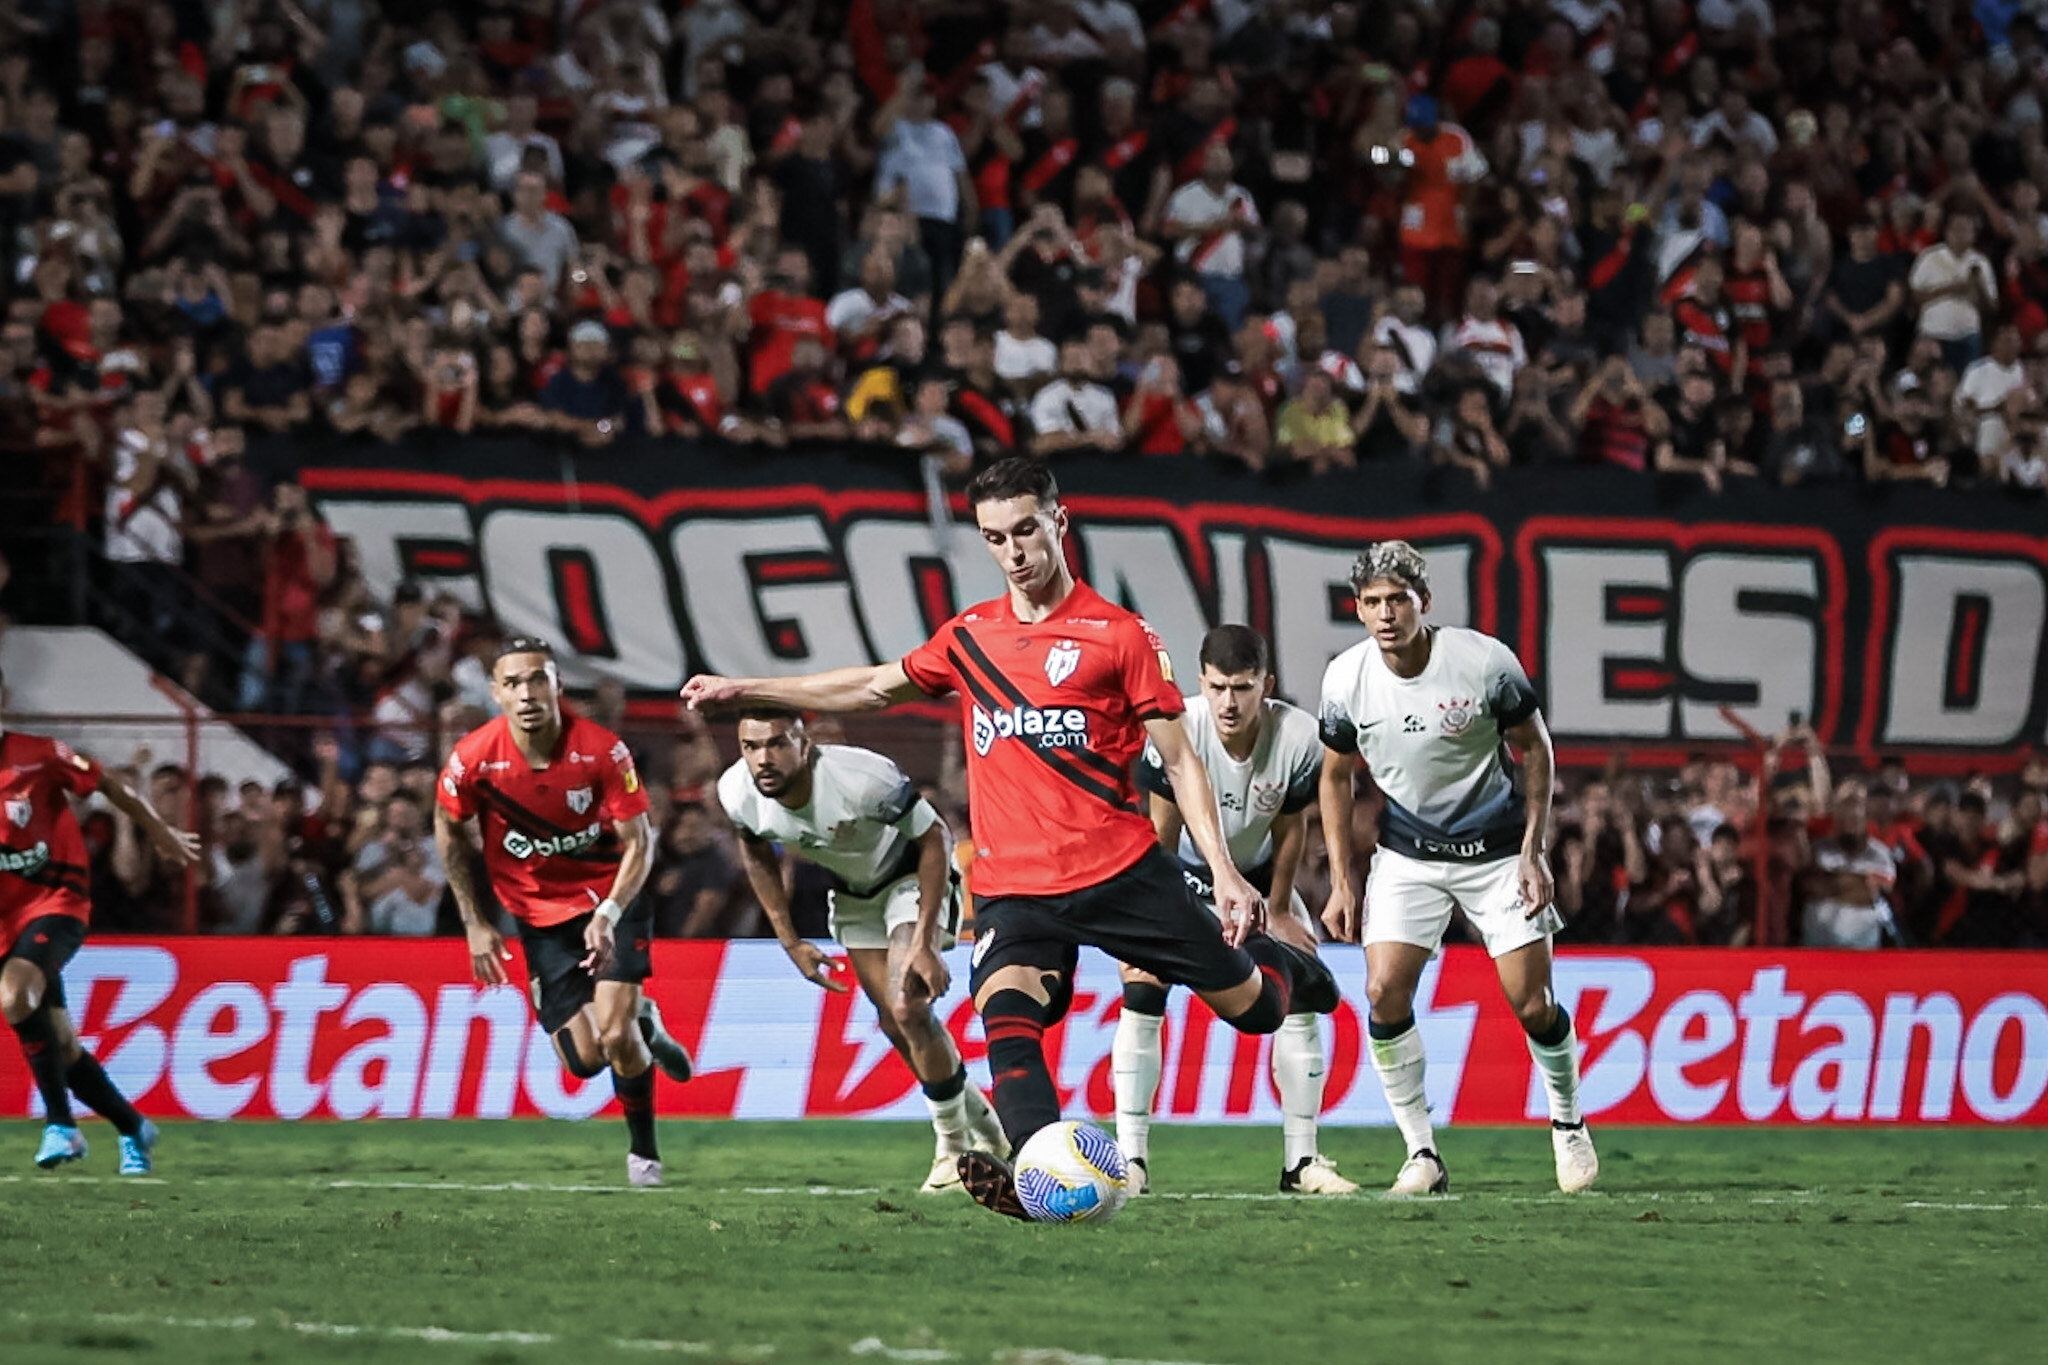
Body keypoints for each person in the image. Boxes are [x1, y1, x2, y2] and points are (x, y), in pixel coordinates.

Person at [682, 458, 1337, 1221]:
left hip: (1120, 871)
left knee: (1257, 1009)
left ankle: (1295, 969)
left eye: (1026, 529)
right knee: (1005, 1013)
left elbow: (1181, 759)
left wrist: (1223, 869)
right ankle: (1039, 1176)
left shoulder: (1119, 635)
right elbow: (871, 686)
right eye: (995, 537)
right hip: (1014, 885)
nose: (1014, 551)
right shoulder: (972, 636)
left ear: (1059, 522)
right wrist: (748, 690)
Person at [1317, 541, 1596, 1196]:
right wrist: (1341, 877)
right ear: (1357, 608)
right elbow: (1335, 776)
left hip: (1498, 852)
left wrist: (1535, 849)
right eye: (1373, 602)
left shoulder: (1483, 663)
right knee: (1384, 991)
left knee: (1532, 1003)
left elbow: (1536, 750)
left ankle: (1567, 1120)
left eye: (1398, 600)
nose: (1386, 614)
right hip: (1408, 855)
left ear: (1425, 602)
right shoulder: (1345, 679)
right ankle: (1422, 1153)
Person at [435, 638, 695, 1187]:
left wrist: (610, 912)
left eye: (536, 680)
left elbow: (640, 842)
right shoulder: (474, 758)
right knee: (584, 1061)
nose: (526, 693)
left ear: (556, 685)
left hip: (612, 898)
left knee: (615, 1034)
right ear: (495, 694)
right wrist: (474, 922)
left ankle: (644, 1157)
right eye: (513, 683)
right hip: (537, 912)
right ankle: (647, 1021)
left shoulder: (602, 750)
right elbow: (448, 827)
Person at [717, 709, 1006, 1192]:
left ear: (805, 744)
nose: (763, 759)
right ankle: (989, 1131)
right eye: (750, 747)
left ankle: (952, 1151)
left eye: (776, 743)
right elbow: (756, 853)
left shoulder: (863, 777)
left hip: (913, 876)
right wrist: (790, 940)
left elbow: (934, 837)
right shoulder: (737, 792)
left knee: (907, 1005)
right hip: (854, 894)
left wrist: (924, 942)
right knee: (898, 1024)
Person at [1115, 625, 1359, 1196]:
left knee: (1298, 990)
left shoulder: (1299, 737)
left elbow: (1290, 825)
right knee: (1143, 985)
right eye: (1219, 687)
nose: (1229, 701)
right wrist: (1169, 910)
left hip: (1259, 880)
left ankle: (1301, 1163)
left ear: (1266, 685)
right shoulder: (1177, 727)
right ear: (1201, 682)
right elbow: (1160, 836)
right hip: (1179, 877)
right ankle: (1131, 1162)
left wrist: (1276, 907)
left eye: (1243, 688)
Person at [2, 668, 199, 1172]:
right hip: (5, 916)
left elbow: (106, 781)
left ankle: (61, 1126)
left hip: (56, 901)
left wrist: (158, 832)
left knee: (15, 992)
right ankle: (133, 1127)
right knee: (61, 1044)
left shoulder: (39, 755)